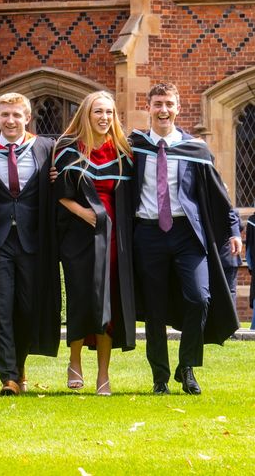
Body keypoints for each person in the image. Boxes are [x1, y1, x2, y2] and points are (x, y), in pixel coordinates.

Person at [129, 82, 243, 395]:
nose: (163, 110)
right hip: (148, 233)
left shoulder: (196, 150)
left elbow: (219, 195)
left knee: (199, 297)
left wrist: (233, 230)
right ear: (148, 107)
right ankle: (160, 378)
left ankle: (187, 367)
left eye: (168, 104)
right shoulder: (133, 147)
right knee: (154, 309)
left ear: (178, 108)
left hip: (187, 235)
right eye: (157, 104)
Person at [0, 92, 61, 395]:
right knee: (1, 306)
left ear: (28, 117)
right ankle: (8, 377)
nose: (10, 121)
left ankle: (19, 365)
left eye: (16, 115)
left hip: (33, 240)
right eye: (5, 115)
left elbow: (63, 182)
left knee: (26, 307)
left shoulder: (45, 148)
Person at [52, 91, 135, 396]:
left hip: (113, 237)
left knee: (108, 301)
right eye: (97, 112)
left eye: (109, 112)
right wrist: (83, 212)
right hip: (78, 235)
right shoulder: (68, 151)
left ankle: (103, 374)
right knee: (80, 295)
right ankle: (74, 361)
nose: (103, 118)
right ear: (86, 115)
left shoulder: (124, 153)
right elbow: (58, 193)